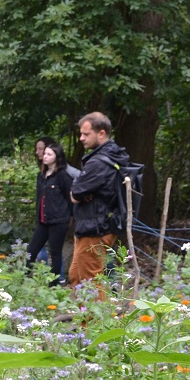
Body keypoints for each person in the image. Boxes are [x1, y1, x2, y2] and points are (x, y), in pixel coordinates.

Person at [69, 111, 132, 288]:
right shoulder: (114, 155)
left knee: (90, 280)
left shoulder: (99, 163)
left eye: (86, 134)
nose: (81, 138)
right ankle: (83, 314)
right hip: (97, 223)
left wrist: (79, 191)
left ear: (101, 133)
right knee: (76, 275)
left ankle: (97, 316)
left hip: (95, 227)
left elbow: (74, 195)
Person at [27, 141, 74, 284]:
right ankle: (24, 277)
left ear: (57, 156)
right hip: (43, 220)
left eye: (49, 154)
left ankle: (53, 284)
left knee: (55, 252)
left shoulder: (62, 176)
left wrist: (71, 218)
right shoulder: (41, 175)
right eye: (45, 153)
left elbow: (70, 198)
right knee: (31, 250)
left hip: (59, 221)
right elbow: (39, 198)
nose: (45, 156)